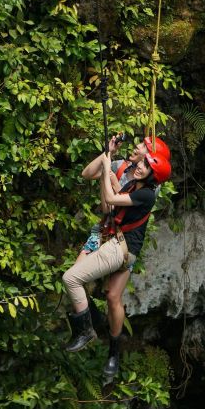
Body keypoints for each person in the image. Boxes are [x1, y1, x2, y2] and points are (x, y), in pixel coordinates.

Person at [63, 150, 172, 379]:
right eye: (141, 160)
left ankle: (108, 346)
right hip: (106, 233)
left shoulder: (146, 191)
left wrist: (107, 171)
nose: (139, 159)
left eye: (145, 159)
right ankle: (91, 323)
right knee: (75, 278)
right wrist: (107, 160)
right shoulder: (127, 175)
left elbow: (113, 198)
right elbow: (106, 203)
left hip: (122, 244)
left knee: (111, 296)